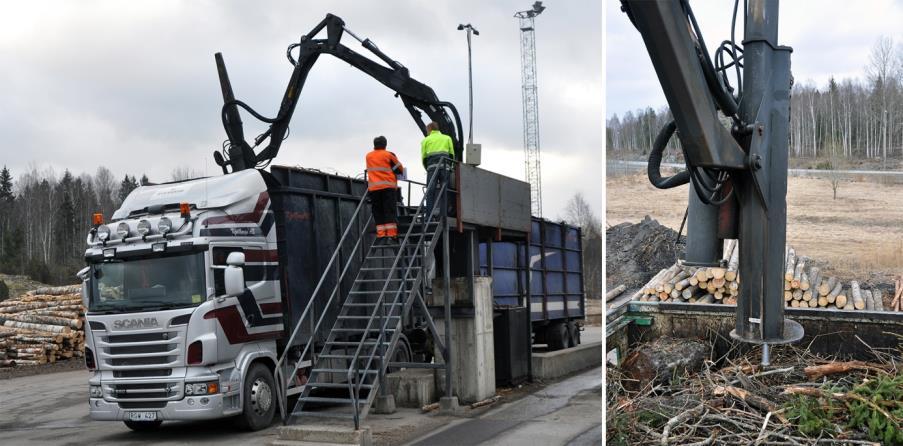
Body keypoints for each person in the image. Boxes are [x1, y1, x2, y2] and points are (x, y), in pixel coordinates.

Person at [366, 135, 405, 238]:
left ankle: (381, 234)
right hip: (388, 188)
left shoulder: (368, 156)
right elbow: (400, 169)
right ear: (385, 145)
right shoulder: (389, 155)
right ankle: (392, 234)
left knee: (378, 211)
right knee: (389, 210)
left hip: (374, 189)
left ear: (374, 145)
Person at [420, 122, 455, 216]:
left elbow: (423, 157)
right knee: (445, 191)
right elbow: (452, 154)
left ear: (430, 129)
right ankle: (443, 215)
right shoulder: (447, 138)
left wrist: (427, 168)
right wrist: (449, 166)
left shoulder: (425, 140)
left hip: (432, 169)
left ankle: (429, 216)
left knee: (430, 192)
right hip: (445, 168)